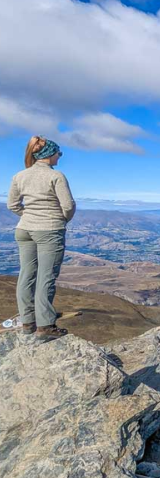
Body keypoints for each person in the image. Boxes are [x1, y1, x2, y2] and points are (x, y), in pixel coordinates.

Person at [7, 136, 76, 338]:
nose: (59, 157)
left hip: (24, 230)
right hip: (49, 230)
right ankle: (45, 327)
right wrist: (61, 220)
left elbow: (12, 205)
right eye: (58, 153)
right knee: (46, 277)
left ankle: (28, 323)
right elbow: (68, 206)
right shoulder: (56, 176)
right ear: (50, 154)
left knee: (26, 275)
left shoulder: (19, 176)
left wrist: (29, 216)